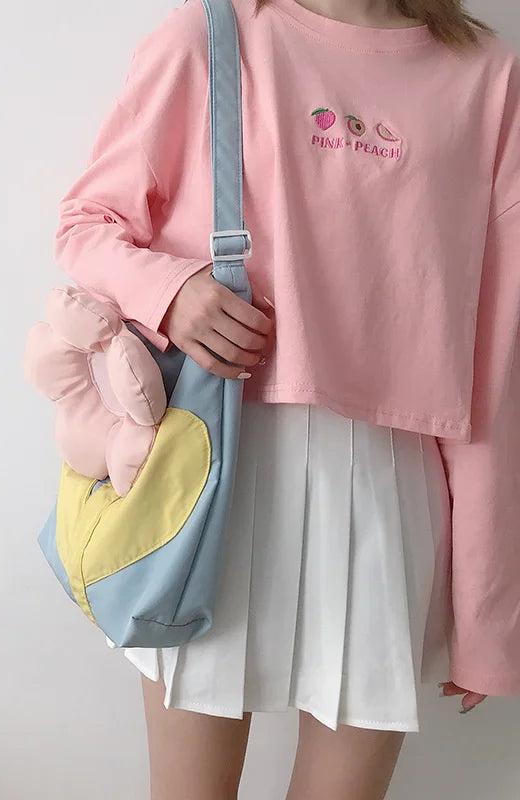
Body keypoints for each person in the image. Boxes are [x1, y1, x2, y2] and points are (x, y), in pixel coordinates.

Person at [52, 1, 520, 797]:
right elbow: (87, 223)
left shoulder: (485, 74)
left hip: (390, 485)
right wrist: (173, 292)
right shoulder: (211, 36)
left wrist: (487, 614)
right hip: (212, 466)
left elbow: (496, 353)